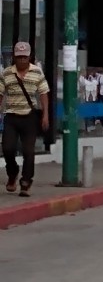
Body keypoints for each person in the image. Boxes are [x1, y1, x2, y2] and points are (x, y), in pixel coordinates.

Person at [1, 42, 50, 197]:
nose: (22, 60)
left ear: (29, 56)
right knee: (8, 148)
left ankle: (26, 182)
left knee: (28, 151)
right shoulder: (7, 73)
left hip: (29, 117)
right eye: (19, 57)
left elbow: (43, 94)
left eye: (25, 57)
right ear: (14, 57)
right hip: (11, 116)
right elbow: (0, 94)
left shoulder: (37, 72)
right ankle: (12, 173)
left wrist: (45, 115)